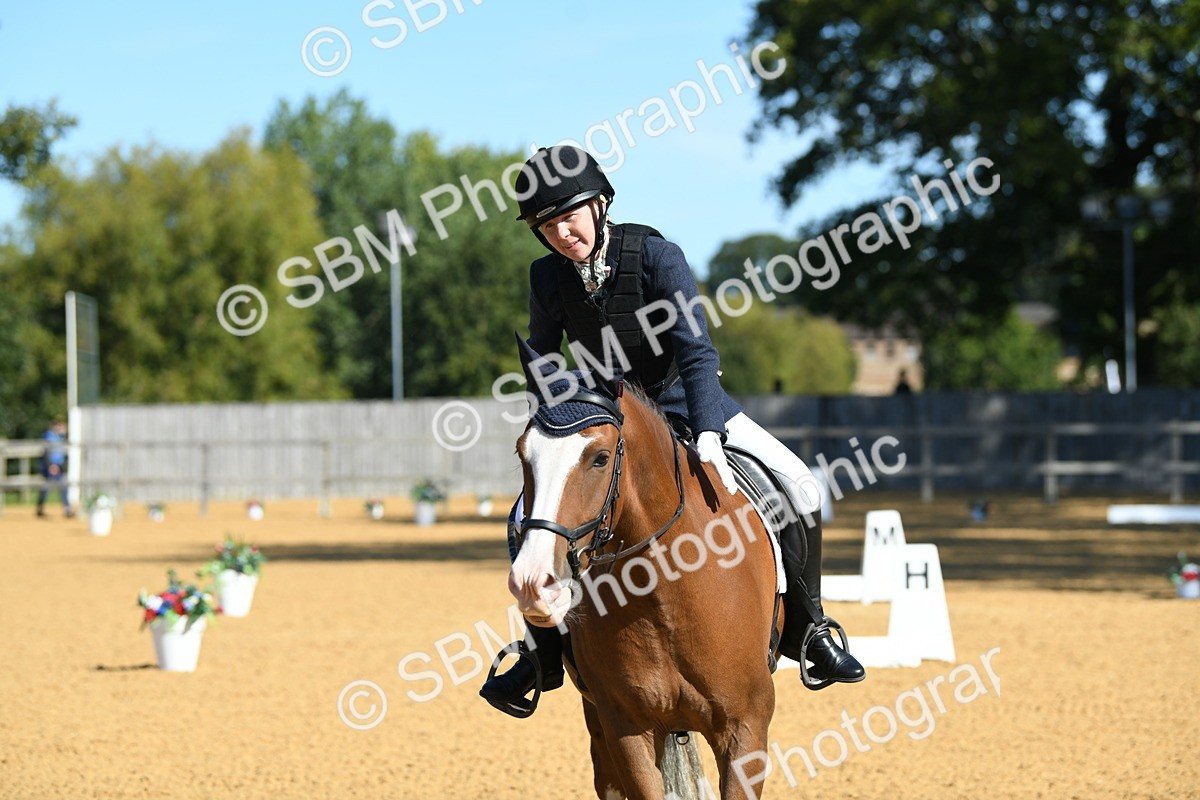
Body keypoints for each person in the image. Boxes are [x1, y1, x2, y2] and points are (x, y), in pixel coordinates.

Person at [479, 146, 864, 713]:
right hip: (605, 419)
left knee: (801, 485)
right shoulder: (547, 277)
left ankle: (809, 630)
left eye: (570, 215)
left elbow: (697, 352)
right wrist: (556, 419)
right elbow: (542, 360)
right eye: (547, 225)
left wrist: (708, 430)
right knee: (525, 520)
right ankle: (541, 654)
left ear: (601, 204)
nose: (562, 232)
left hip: (687, 405)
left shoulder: (657, 256)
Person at [36, 419, 74, 519]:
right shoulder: (49, 436)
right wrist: (51, 465)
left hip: (59, 467)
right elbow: (47, 452)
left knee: (63, 488)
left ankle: (67, 509)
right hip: (50, 467)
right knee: (46, 489)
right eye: (58, 425)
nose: (60, 427)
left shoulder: (60, 437)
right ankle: (40, 509)